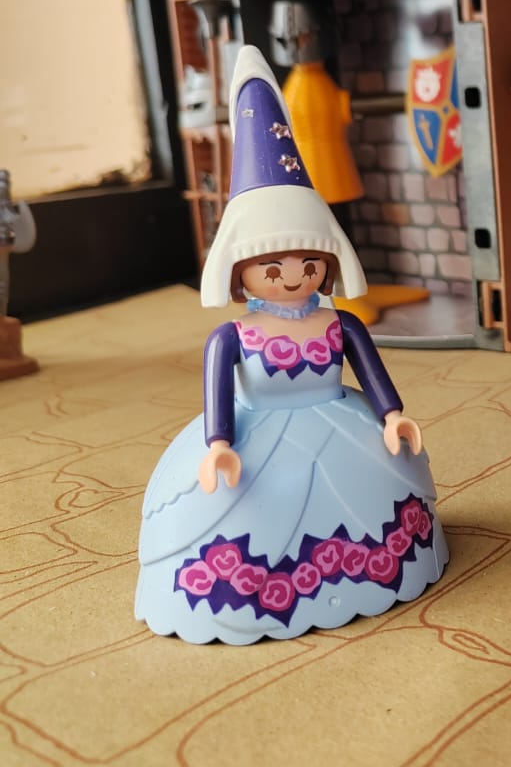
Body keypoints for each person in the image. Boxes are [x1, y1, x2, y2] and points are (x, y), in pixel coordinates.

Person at [135, 47, 446, 645]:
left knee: (377, 501)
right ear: (238, 272)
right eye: (272, 267)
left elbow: (373, 374)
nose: (294, 276)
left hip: (342, 424)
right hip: (260, 433)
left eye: (309, 262)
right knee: (250, 518)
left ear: (329, 262)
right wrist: (219, 444)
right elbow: (219, 398)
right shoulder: (232, 337)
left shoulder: (341, 324)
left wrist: (393, 416)